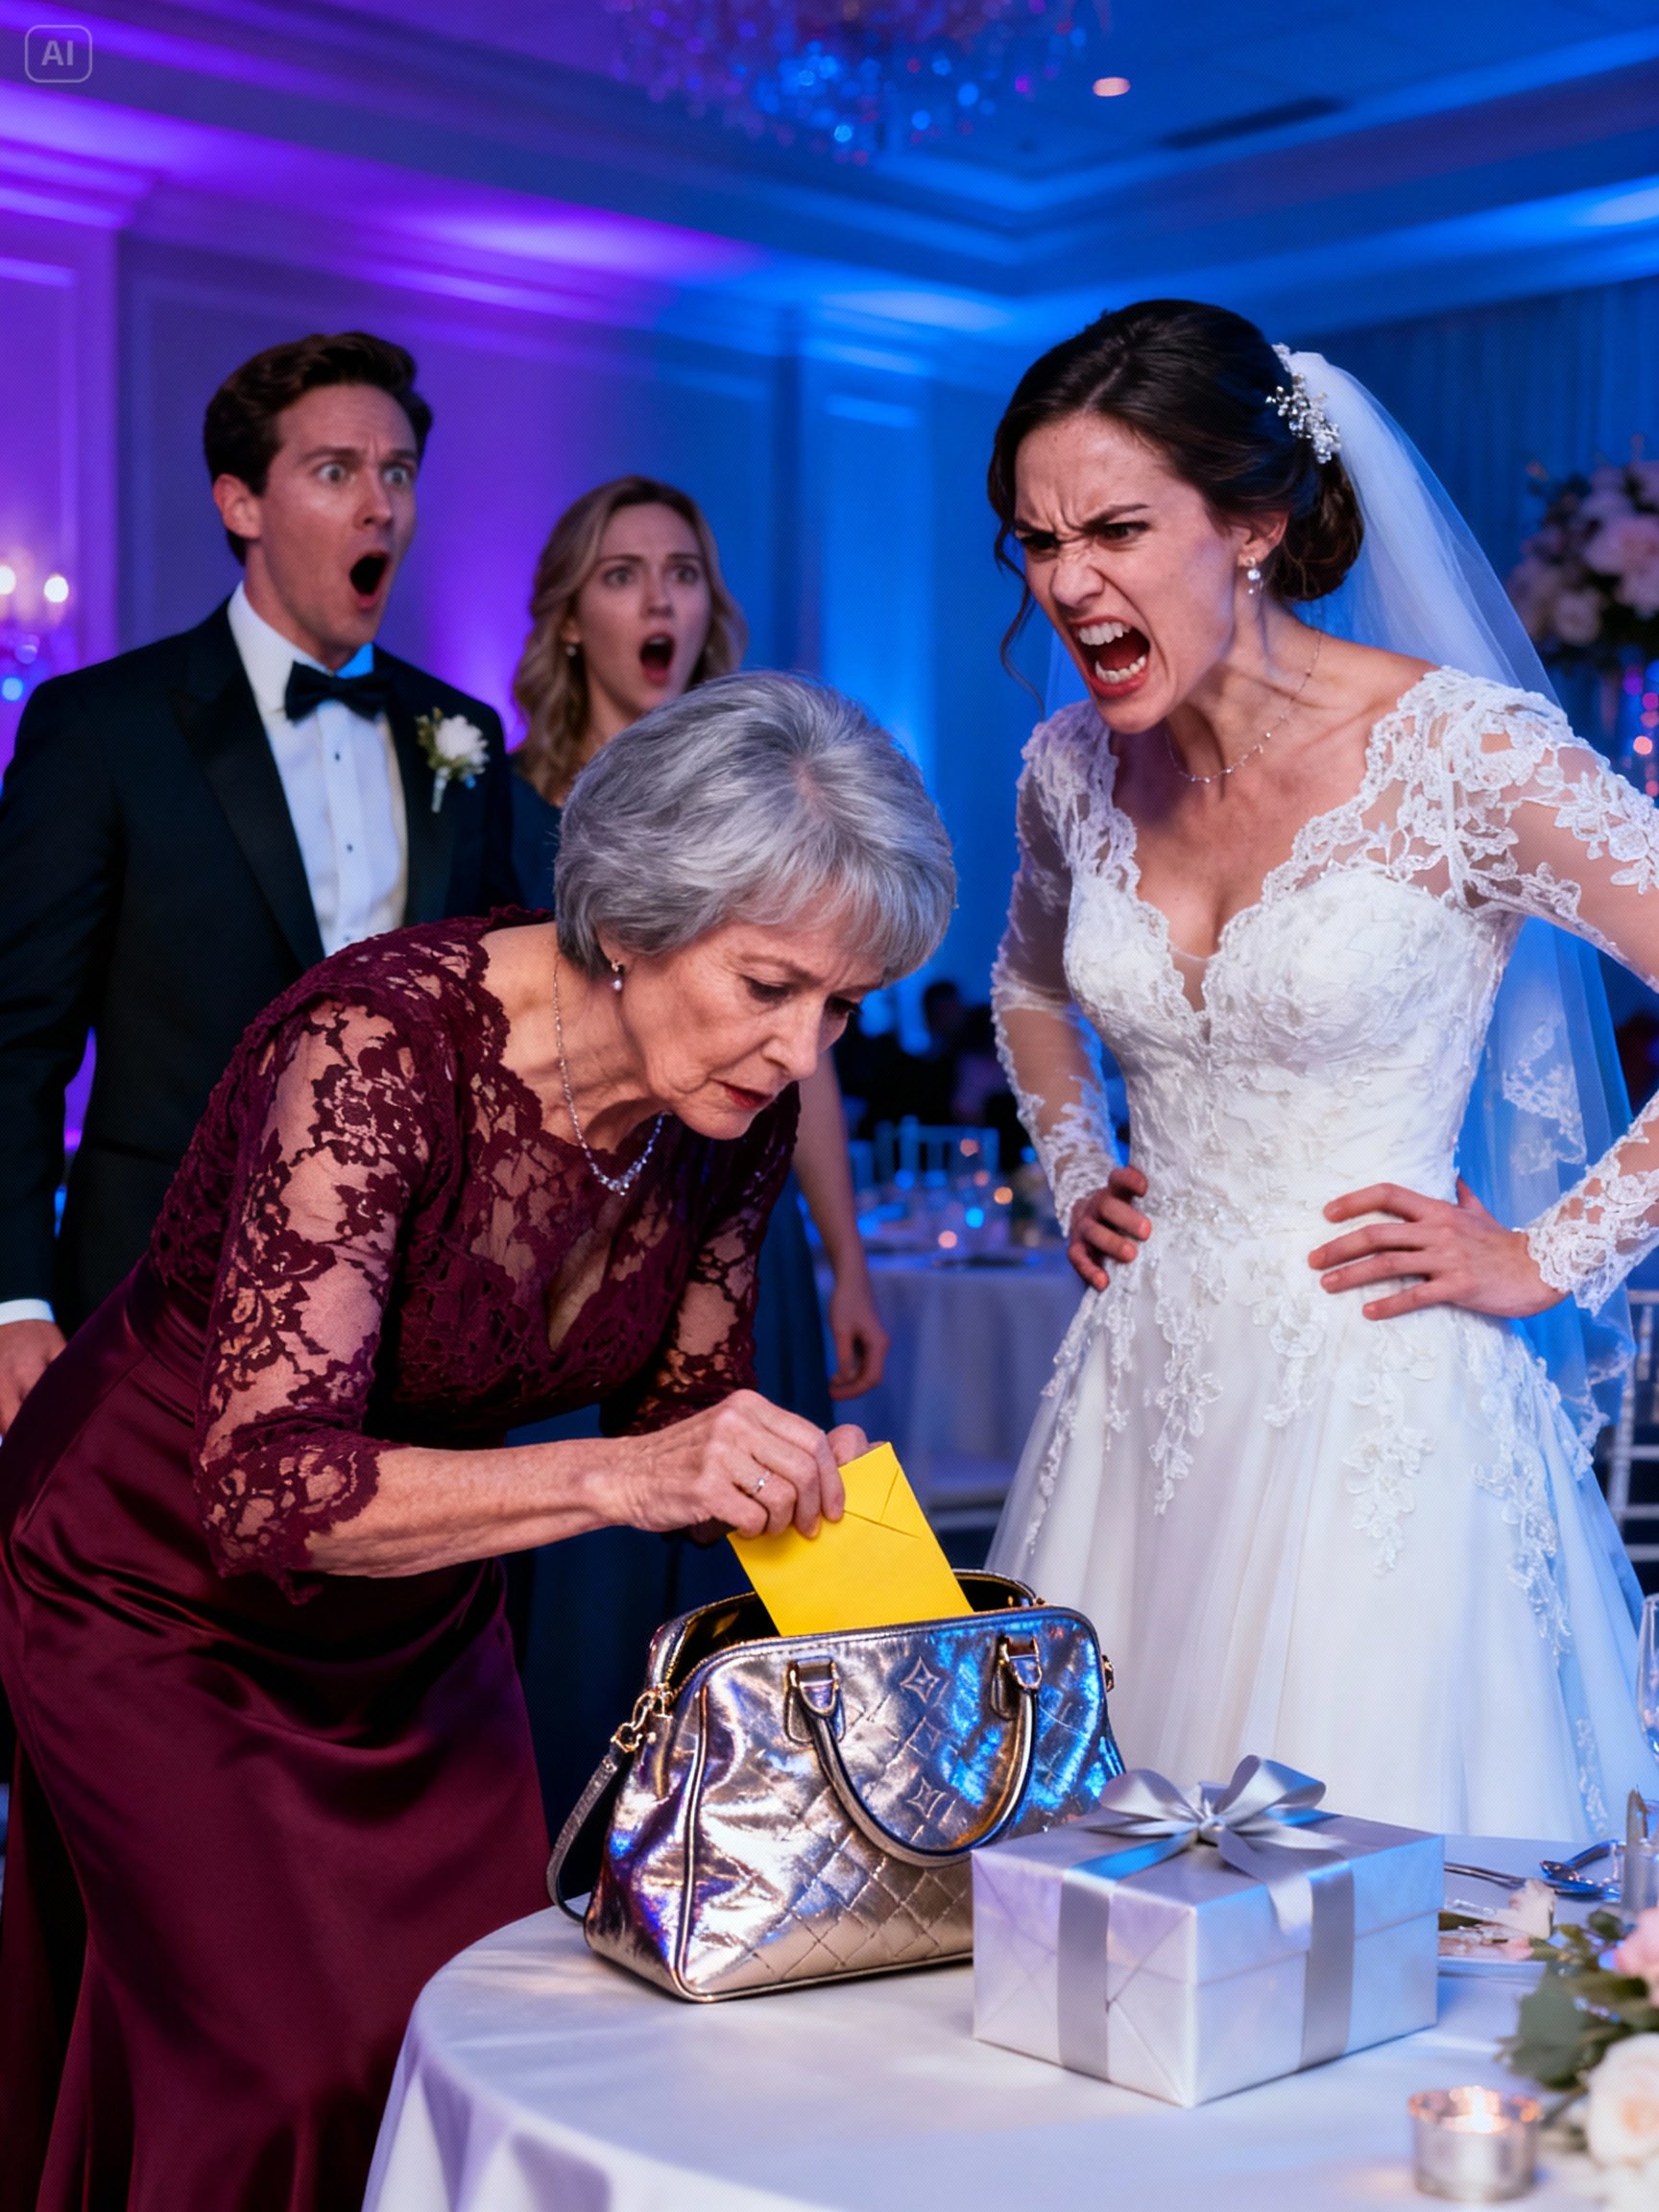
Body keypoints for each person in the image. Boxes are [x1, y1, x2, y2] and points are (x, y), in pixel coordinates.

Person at [0, 672, 955, 2212]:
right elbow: (266, 1485)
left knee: (478, 2028)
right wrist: (625, 1477)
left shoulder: (731, 1111)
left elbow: (671, 1427)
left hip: (417, 1601)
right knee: (278, 2067)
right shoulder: (372, 1051)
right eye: (770, 985)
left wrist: (794, 1490)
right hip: (155, 1582)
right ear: (635, 919)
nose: (801, 1052)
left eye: (841, 1007)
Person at [985, 298, 1654, 1840]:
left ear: (1255, 527)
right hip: (1141, 1395)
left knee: (1378, 1885)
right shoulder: (1068, 771)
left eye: (1116, 529)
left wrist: (1549, 1256)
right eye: (1035, 540)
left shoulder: (1464, 757)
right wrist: (1077, 1165)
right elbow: (1024, 982)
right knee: (1098, 1896)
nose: (1069, 582)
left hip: (1383, 1403)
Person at [0, 330, 516, 1431]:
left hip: (408, 1318)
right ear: (241, 505)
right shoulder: (103, 728)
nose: (380, 505)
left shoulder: (458, 736)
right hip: (155, 1302)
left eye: (398, 473)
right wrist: (13, 1297)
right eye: (336, 472)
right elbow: (17, 1041)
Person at [510, 473, 886, 1415]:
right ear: (568, 618)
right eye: (623, 574)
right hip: (582, 1229)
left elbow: (811, 1060)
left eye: (681, 573)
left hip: (740, 1209)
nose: (658, 599)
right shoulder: (504, 812)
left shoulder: (777, 806)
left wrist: (847, 1260)